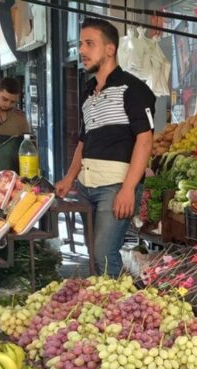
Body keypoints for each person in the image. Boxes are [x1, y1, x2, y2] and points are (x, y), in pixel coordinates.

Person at [54, 17, 155, 277]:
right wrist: (69, 177)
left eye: (90, 44)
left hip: (115, 185)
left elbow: (145, 140)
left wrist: (129, 188)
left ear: (110, 49)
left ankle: (123, 311)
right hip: (87, 185)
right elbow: (84, 141)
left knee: (104, 254)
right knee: (95, 258)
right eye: (81, 44)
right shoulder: (88, 92)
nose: (82, 50)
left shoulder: (133, 88)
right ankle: (106, 306)